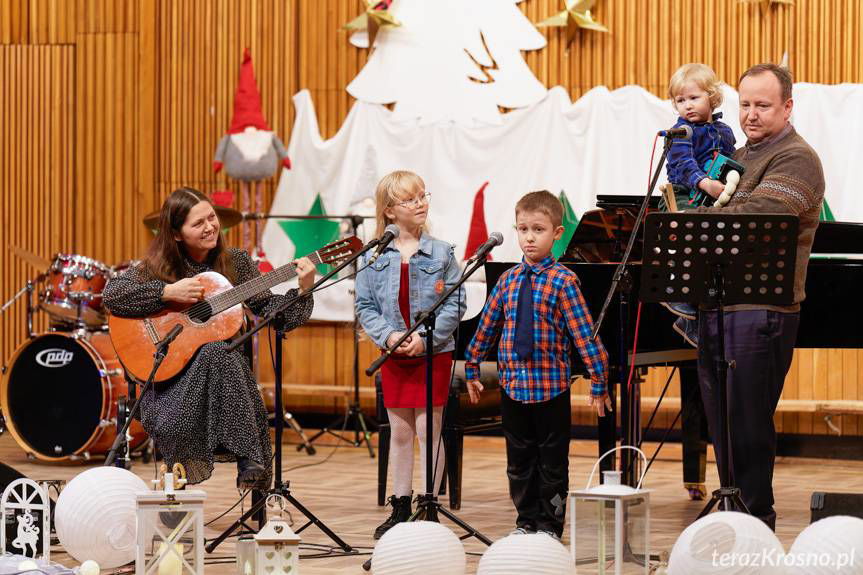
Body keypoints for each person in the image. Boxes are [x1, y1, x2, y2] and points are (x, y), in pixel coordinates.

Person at [103, 187, 316, 490]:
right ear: (176, 234)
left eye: (211, 218)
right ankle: (249, 458)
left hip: (224, 381)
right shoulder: (158, 268)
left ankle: (250, 461)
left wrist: (304, 290)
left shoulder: (236, 263)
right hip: (169, 387)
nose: (210, 227)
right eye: (198, 223)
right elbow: (112, 294)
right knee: (219, 351)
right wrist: (166, 292)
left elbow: (273, 313)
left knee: (217, 351)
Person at [693, 63, 825, 529]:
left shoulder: (796, 158)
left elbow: (754, 221)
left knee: (747, 421)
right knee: (722, 420)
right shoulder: (740, 154)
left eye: (762, 105)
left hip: (763, 308)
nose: (750, 114)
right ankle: (732, 513)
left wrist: (701, 217)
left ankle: (756, 520)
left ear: (787, 107)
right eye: (745, 104)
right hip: (721, 304)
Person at [464, 190, 610, 539]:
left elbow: (584, 335)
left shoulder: (564, 282)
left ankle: (549, 525)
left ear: (556, 234)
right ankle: (525, 520)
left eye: (538, 230)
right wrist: (472, 366)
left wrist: (598, 378)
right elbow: (487, 328)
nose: (529, 237)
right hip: (514, 387)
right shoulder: (508, 281)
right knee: (518, 463)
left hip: (550, 389)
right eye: (523, 229)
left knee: (553, 464)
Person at [354, 171, 466, 539]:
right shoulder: (373, 256)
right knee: (400, 431)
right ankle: (400, 506)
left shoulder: (442, 252)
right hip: (395, 353)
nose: (420, 203)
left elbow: (455, 303)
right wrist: (388, 337)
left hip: (432, 351)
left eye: (422, 195)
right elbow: (366, 306)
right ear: (388, 211)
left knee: (427, 429)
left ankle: (428, 505)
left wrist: (424, 339)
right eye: (410, 199)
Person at [662, 63, 737, 347]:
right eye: (680, 100)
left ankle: (696, 317)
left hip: (714, 194)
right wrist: (704, 182)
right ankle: (679, 297)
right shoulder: (681, 132)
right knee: (690, 237)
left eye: (694, 98)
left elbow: (731, 159)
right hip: (683, 193)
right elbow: (682, 164)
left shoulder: (725, 131)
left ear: (712, 97)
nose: (687, 106)